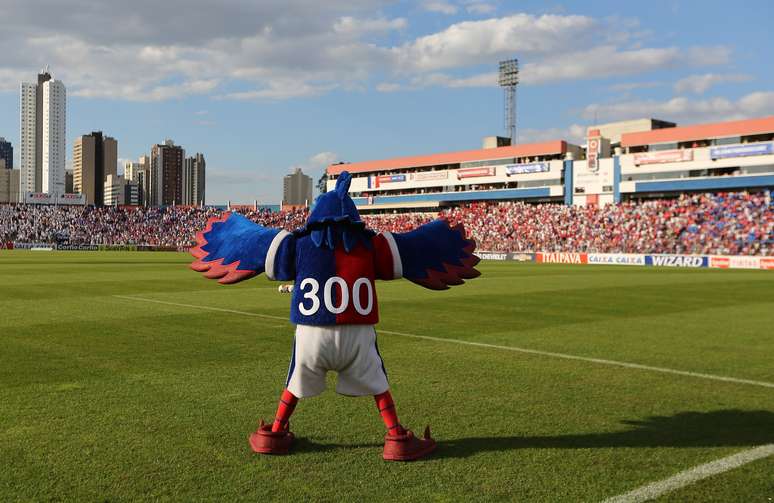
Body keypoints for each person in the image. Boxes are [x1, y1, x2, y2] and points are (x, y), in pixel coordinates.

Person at [190, 171, 480, 460]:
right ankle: (396, 437)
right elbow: (418, 250)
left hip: (311, 336)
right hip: (358, 335)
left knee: (295, 381)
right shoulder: (371, 245)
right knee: (379, 385)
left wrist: (227, 234)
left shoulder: (298, 244)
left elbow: (251, 246)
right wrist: (445, 240)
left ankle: (275, 432)